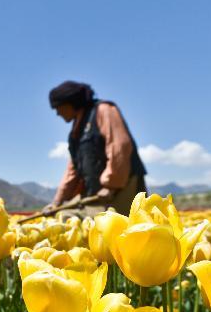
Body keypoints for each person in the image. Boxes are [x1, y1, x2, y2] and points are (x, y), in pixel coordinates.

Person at [47, 81, 147, 216]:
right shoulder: (76, 132)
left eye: (57, 108)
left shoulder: (103, 110)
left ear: (69, 103)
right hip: (99, 191)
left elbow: (119, 147)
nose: (57, 113)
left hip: (121, 186)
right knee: (67, 217)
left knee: (122, 229)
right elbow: (73, 170)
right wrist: (57, 202)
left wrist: (111, 185)